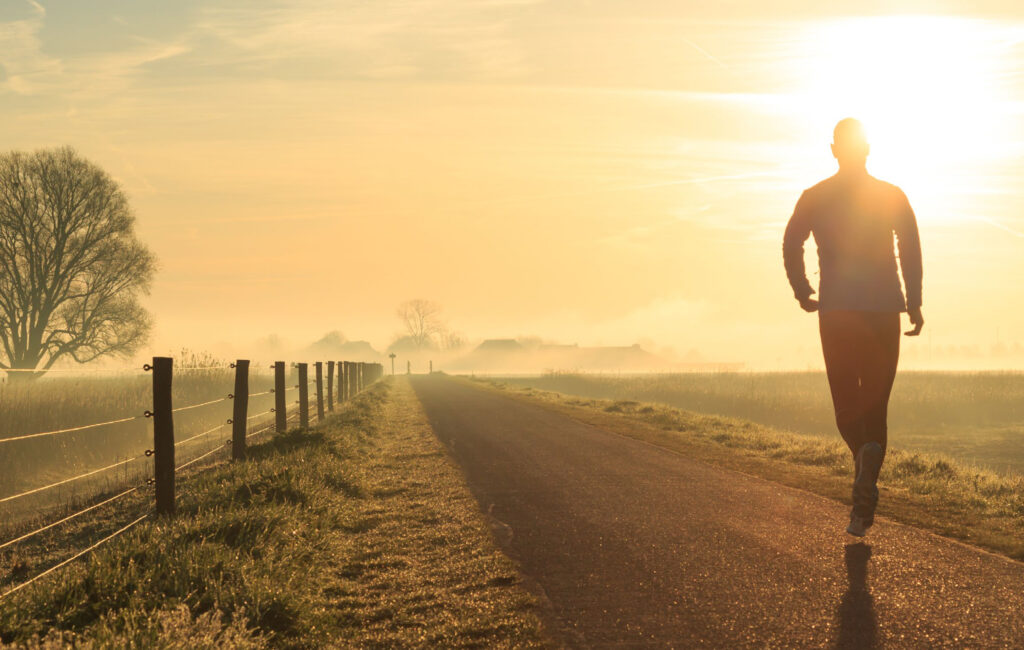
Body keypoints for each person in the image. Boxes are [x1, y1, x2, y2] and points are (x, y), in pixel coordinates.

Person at [782, 118, 924, 537]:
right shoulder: (892, 195)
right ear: (868, 148)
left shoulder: (815, 196)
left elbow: (791, 243)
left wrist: (803, 290)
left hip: (838, 312)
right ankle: (863, 502)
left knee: (846, 403)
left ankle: (862, 464)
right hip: (882, 311)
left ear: (833, 150)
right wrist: (913, 301)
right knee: (876, 407)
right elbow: (911, 248)